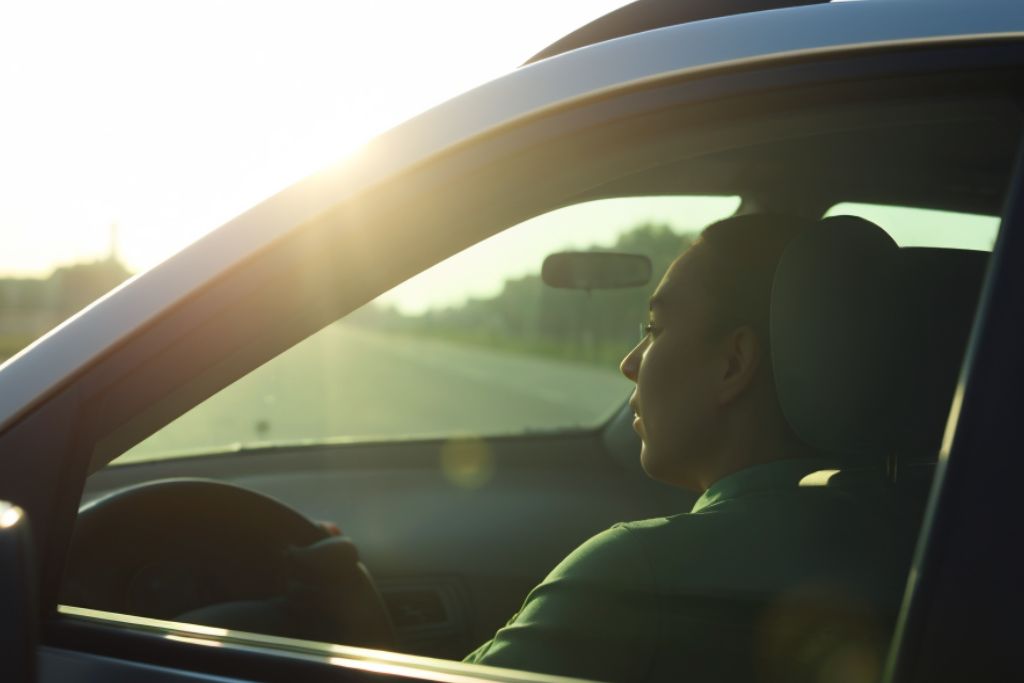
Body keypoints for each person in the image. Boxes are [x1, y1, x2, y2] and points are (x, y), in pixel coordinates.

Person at [463, 213, 912, 683]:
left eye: (654, 329)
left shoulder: (634, 573)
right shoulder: (939, 551)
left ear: (733, 363)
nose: (628, 363)